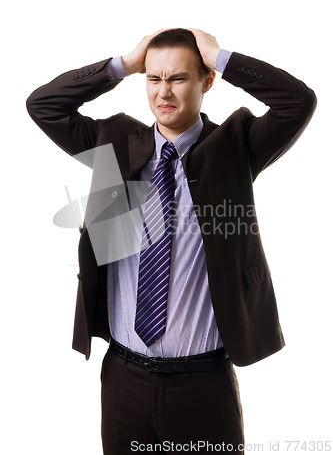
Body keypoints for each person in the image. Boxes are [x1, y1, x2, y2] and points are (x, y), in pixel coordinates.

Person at [26, 28, 316, 454]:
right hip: (125, 379)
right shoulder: (116, 142)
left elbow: (298, 102)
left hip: (202, 385)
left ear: (206, 81)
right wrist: (123, 64)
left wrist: (220, 56)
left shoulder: (236, 145)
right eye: (153, 78)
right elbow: (43, 106)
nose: (163, 92)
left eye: (178, 78)